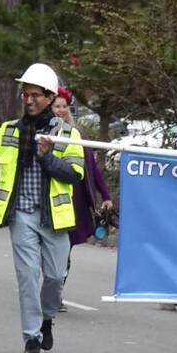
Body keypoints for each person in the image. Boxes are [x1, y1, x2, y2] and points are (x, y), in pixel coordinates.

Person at [0, 63, 85, 353]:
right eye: (26, 94)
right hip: (22, 215)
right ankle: (32, 337)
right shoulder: (10, 131)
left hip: (54, 218)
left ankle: (47, 318)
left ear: (50, 97)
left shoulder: (67, 134)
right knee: (27, 277)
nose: (29, 100)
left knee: (53, 277)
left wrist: (48, 157)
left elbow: (75, 174)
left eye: (36, 95)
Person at [51, 88, 114, 312]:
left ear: (69, 109)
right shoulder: (44, 132)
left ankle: (55, 293)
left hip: (75, 199)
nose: (60, 110)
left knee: (65, 249)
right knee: (48, 249)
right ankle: (48, 288)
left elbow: (92, 167)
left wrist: (105, 195)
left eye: (63, 106)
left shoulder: (78, 134)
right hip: (50, 197)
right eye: (56, 106)